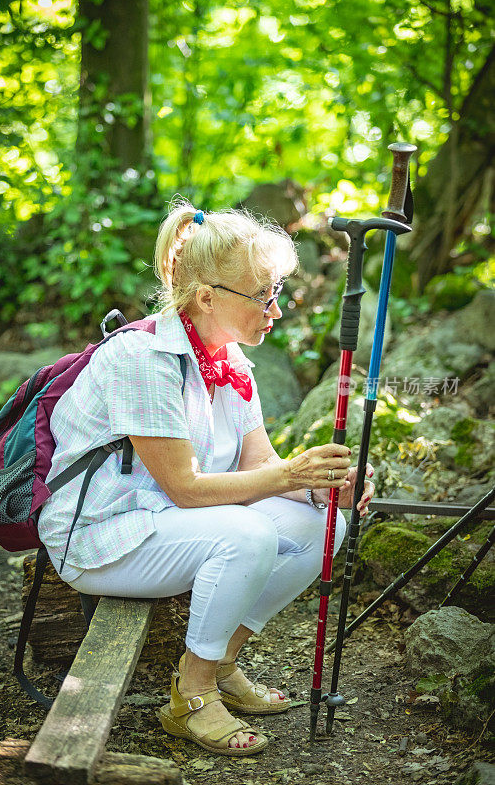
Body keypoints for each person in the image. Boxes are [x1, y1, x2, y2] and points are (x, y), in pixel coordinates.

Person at [38, 200, 375, 756]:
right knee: (250, 534)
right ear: (206, 297)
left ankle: (216, 665)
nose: (277, 309)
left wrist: (318, 484)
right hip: (103, 536)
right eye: (264, 295)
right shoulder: (143, 360)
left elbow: (259, 466)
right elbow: (186, 489)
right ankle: (190, 696)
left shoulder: (233, 362)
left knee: (324, 528)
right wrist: (290, 473)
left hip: (173, 526)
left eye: (278, 293)